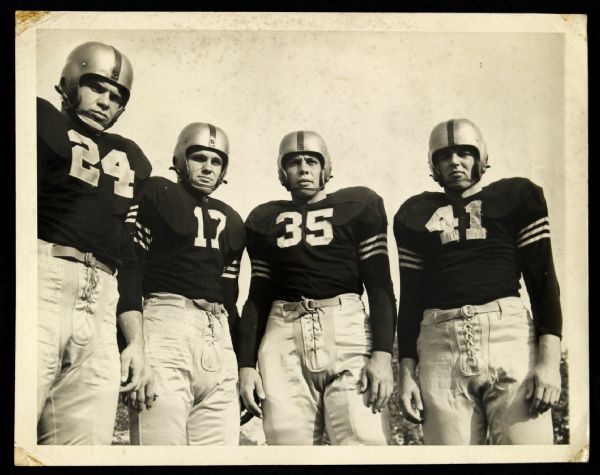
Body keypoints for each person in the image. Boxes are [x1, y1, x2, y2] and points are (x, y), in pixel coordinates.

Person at [394, 118, 563, 445]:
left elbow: (543, 284)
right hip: (440, 345)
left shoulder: (516, 197)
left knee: (528, 453)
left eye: (464, 153)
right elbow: (411, 298)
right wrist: (405, 374)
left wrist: (549, 362)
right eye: (445, 156)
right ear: (434, 164)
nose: (455, 162)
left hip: (508, 336)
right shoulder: (414, 214)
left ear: (481, 157)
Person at [238, 130, 396, 445]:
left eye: (312, 160)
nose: (304, 168)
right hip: (284, 331)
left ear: (326, 167)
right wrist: (245, 365)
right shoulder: (264, 219)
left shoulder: (358, 205)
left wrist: (381, 354)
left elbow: (379, 285)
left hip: (346, 327)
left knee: (363, 442)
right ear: (283, 171)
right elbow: (258, 297)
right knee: (288, 448)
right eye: (294, 162)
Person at [37, 41, 152, 444]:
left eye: (116, 96)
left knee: (85, 446)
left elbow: (127, 254)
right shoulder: (38, 119)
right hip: (42, 282)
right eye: (97, 87)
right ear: (69, 82)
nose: (106, 101)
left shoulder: (132, 157)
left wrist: (136, 342)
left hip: (102, 301)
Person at [126, 122, 244, 445]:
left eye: (216, 161)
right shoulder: (157, 192)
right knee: (160, 450)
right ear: (180, 159)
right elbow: (130, 268)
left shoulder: (232, 219)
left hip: (218, 337)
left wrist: (244, 363)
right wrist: (132, 345)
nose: (208, 167)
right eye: (200, 158)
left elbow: (230, 298)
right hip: (165, 323)